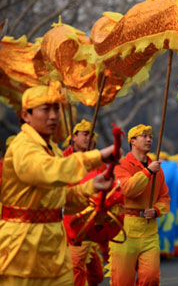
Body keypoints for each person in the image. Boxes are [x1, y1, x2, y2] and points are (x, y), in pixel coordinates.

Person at [0, 82, 116, 286]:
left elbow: (62, 199)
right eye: (45, 109)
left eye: (56, 108)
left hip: (54, 247)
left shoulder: (52, 148)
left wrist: (92, 187)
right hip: (21, 249)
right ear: (26, 115)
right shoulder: (23, 146)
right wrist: (98, 156)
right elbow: (47, 172)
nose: (53, 116)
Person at [110, 124, 171, 286]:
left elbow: (165, 198)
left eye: (150, 136)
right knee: (122, 280)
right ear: (132, 141)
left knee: (151, 277)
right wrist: (148, 172)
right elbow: (127, 189)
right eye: (144, 136)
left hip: (149, 231)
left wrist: (157, 210)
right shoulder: (121, 165)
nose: (149, 139)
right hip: (124, 230)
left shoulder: (158, 169)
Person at [62, 119, 107, 286]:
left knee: (96, 275)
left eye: (92, 135)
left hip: (92, 218)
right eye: (85, 134)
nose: (89, 138)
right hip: (70, 218)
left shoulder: (98, 160)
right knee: (76, 265)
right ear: (73, 137)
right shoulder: (62, 158)